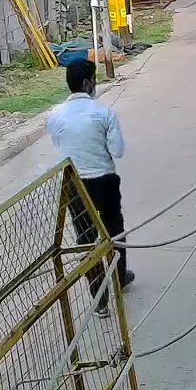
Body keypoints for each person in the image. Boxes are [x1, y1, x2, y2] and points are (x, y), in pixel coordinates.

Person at [48, 59, 133, 307]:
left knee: (85, 237)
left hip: (74, 183)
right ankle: (119, 277)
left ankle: (98, 296)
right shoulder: (104, 113)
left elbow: (60, 146)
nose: (95, 84)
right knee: (115, 229)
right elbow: (117, 151)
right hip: (103, 179)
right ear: (87, 83)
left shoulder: (55, 115)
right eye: (94, 79)